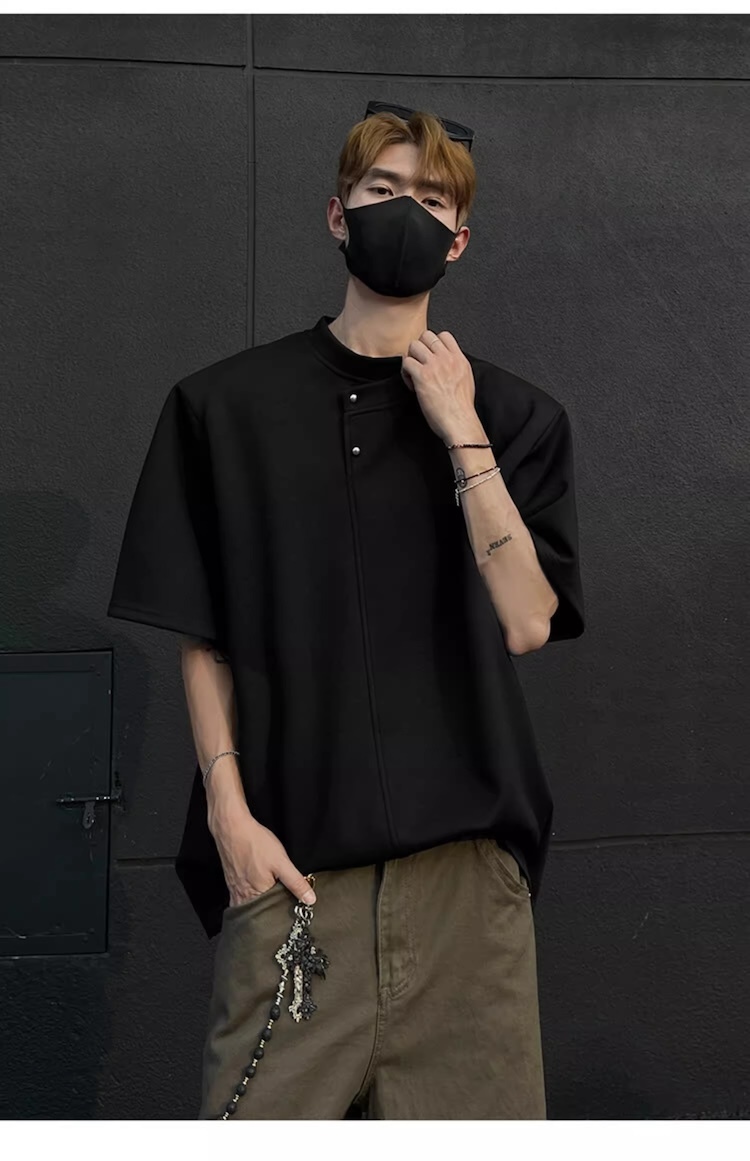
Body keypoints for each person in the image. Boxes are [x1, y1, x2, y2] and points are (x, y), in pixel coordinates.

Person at [107, 102, 585, 1120]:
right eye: (382, 190)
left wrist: (460, 430)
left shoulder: (516, 417)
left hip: (464, 891)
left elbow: (528, 620)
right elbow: (204, 635)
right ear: (338, 214)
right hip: (292, 880)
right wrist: (230, 819)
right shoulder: (225, 408)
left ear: (459, 239)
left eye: (432, 199)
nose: (404, 211)